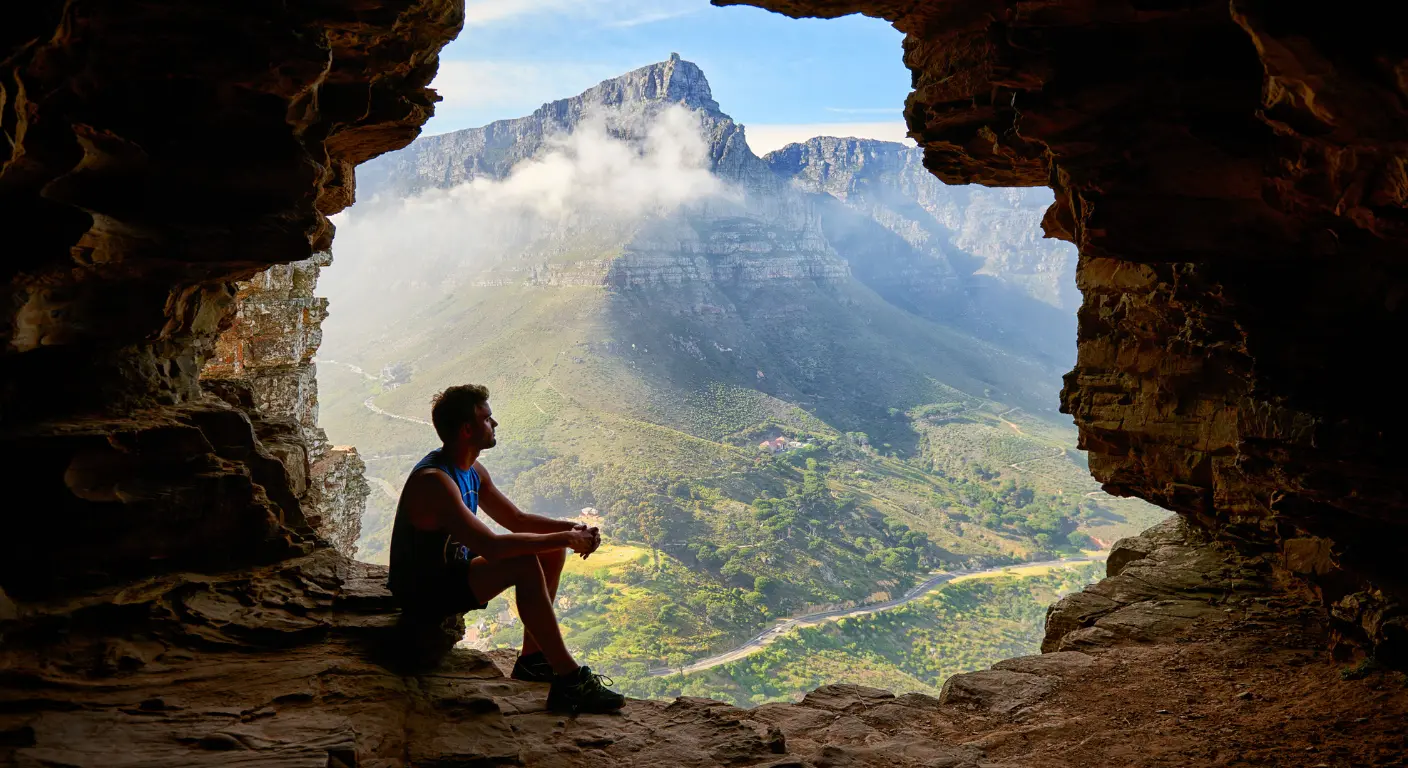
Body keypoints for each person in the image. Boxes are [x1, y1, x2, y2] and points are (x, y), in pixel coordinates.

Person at [388, 383, 625, 714]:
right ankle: (570, 681)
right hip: (424, 589)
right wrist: (567, 539)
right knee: (525, 563)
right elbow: (492, 546)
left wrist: (571, 529)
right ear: (467, 429)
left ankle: (533, 660)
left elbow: (516, 518)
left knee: (549, 552)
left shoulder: (471, 470)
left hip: (452, 572)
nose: (494, 424)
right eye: (487, 418)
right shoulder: (435, 481)